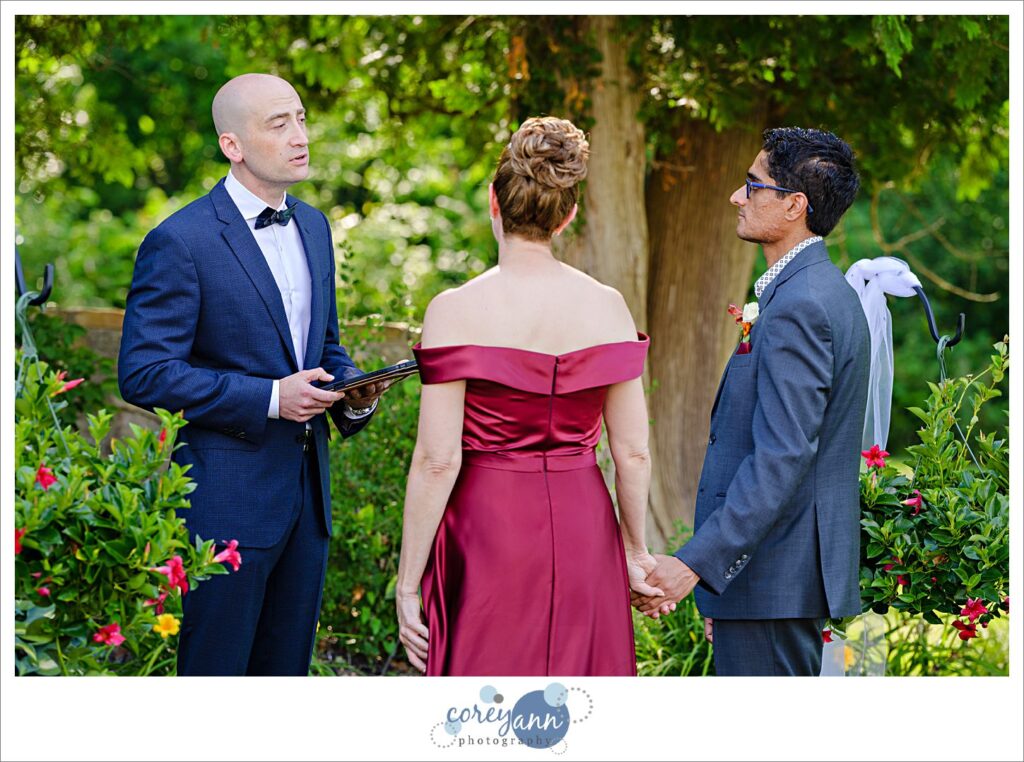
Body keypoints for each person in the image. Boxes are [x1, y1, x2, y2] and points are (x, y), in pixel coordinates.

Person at [118, 73, 389, 675]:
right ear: (232, 145)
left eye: (301, 118)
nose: (300, 136)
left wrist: (353, 391)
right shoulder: (180, 241)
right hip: (226, 508)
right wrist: (269, 398)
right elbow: (144, 372)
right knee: (215, 683)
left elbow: (323, 345)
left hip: (307, 506)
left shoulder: (315, 226)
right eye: (279, 124)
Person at [394, 116, 661, 676]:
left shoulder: (454, 310)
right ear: (567, 216)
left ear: (495, 202)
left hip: (486, 529)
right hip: (584, 525)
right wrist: (634, 550)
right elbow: (632, 452)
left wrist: (408, 584)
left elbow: (438, 460)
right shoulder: (608, 306)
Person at [633, 127, 869, 676]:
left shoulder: (801, 305)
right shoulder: (815, 290)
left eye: (753, 185)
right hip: (763, 583)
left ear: (794, 205)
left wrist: (696, 564)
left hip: (773, 579)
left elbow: (782, 456)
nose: (737, 196)